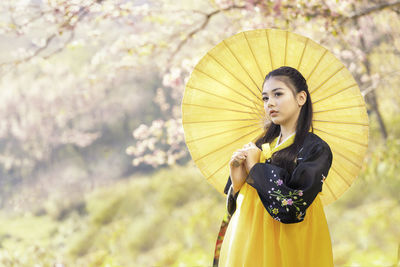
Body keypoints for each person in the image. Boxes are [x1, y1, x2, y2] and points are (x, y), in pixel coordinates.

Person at [213, 66, 334, 267]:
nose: (270, 103)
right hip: (250, 239)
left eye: (278, 94)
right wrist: (237, 182)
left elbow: (292, 205)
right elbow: (236, 205)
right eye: (265, 98)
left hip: (291, 242)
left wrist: (254, 168)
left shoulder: (316, 149)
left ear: (301, 98)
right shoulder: (258, 146)